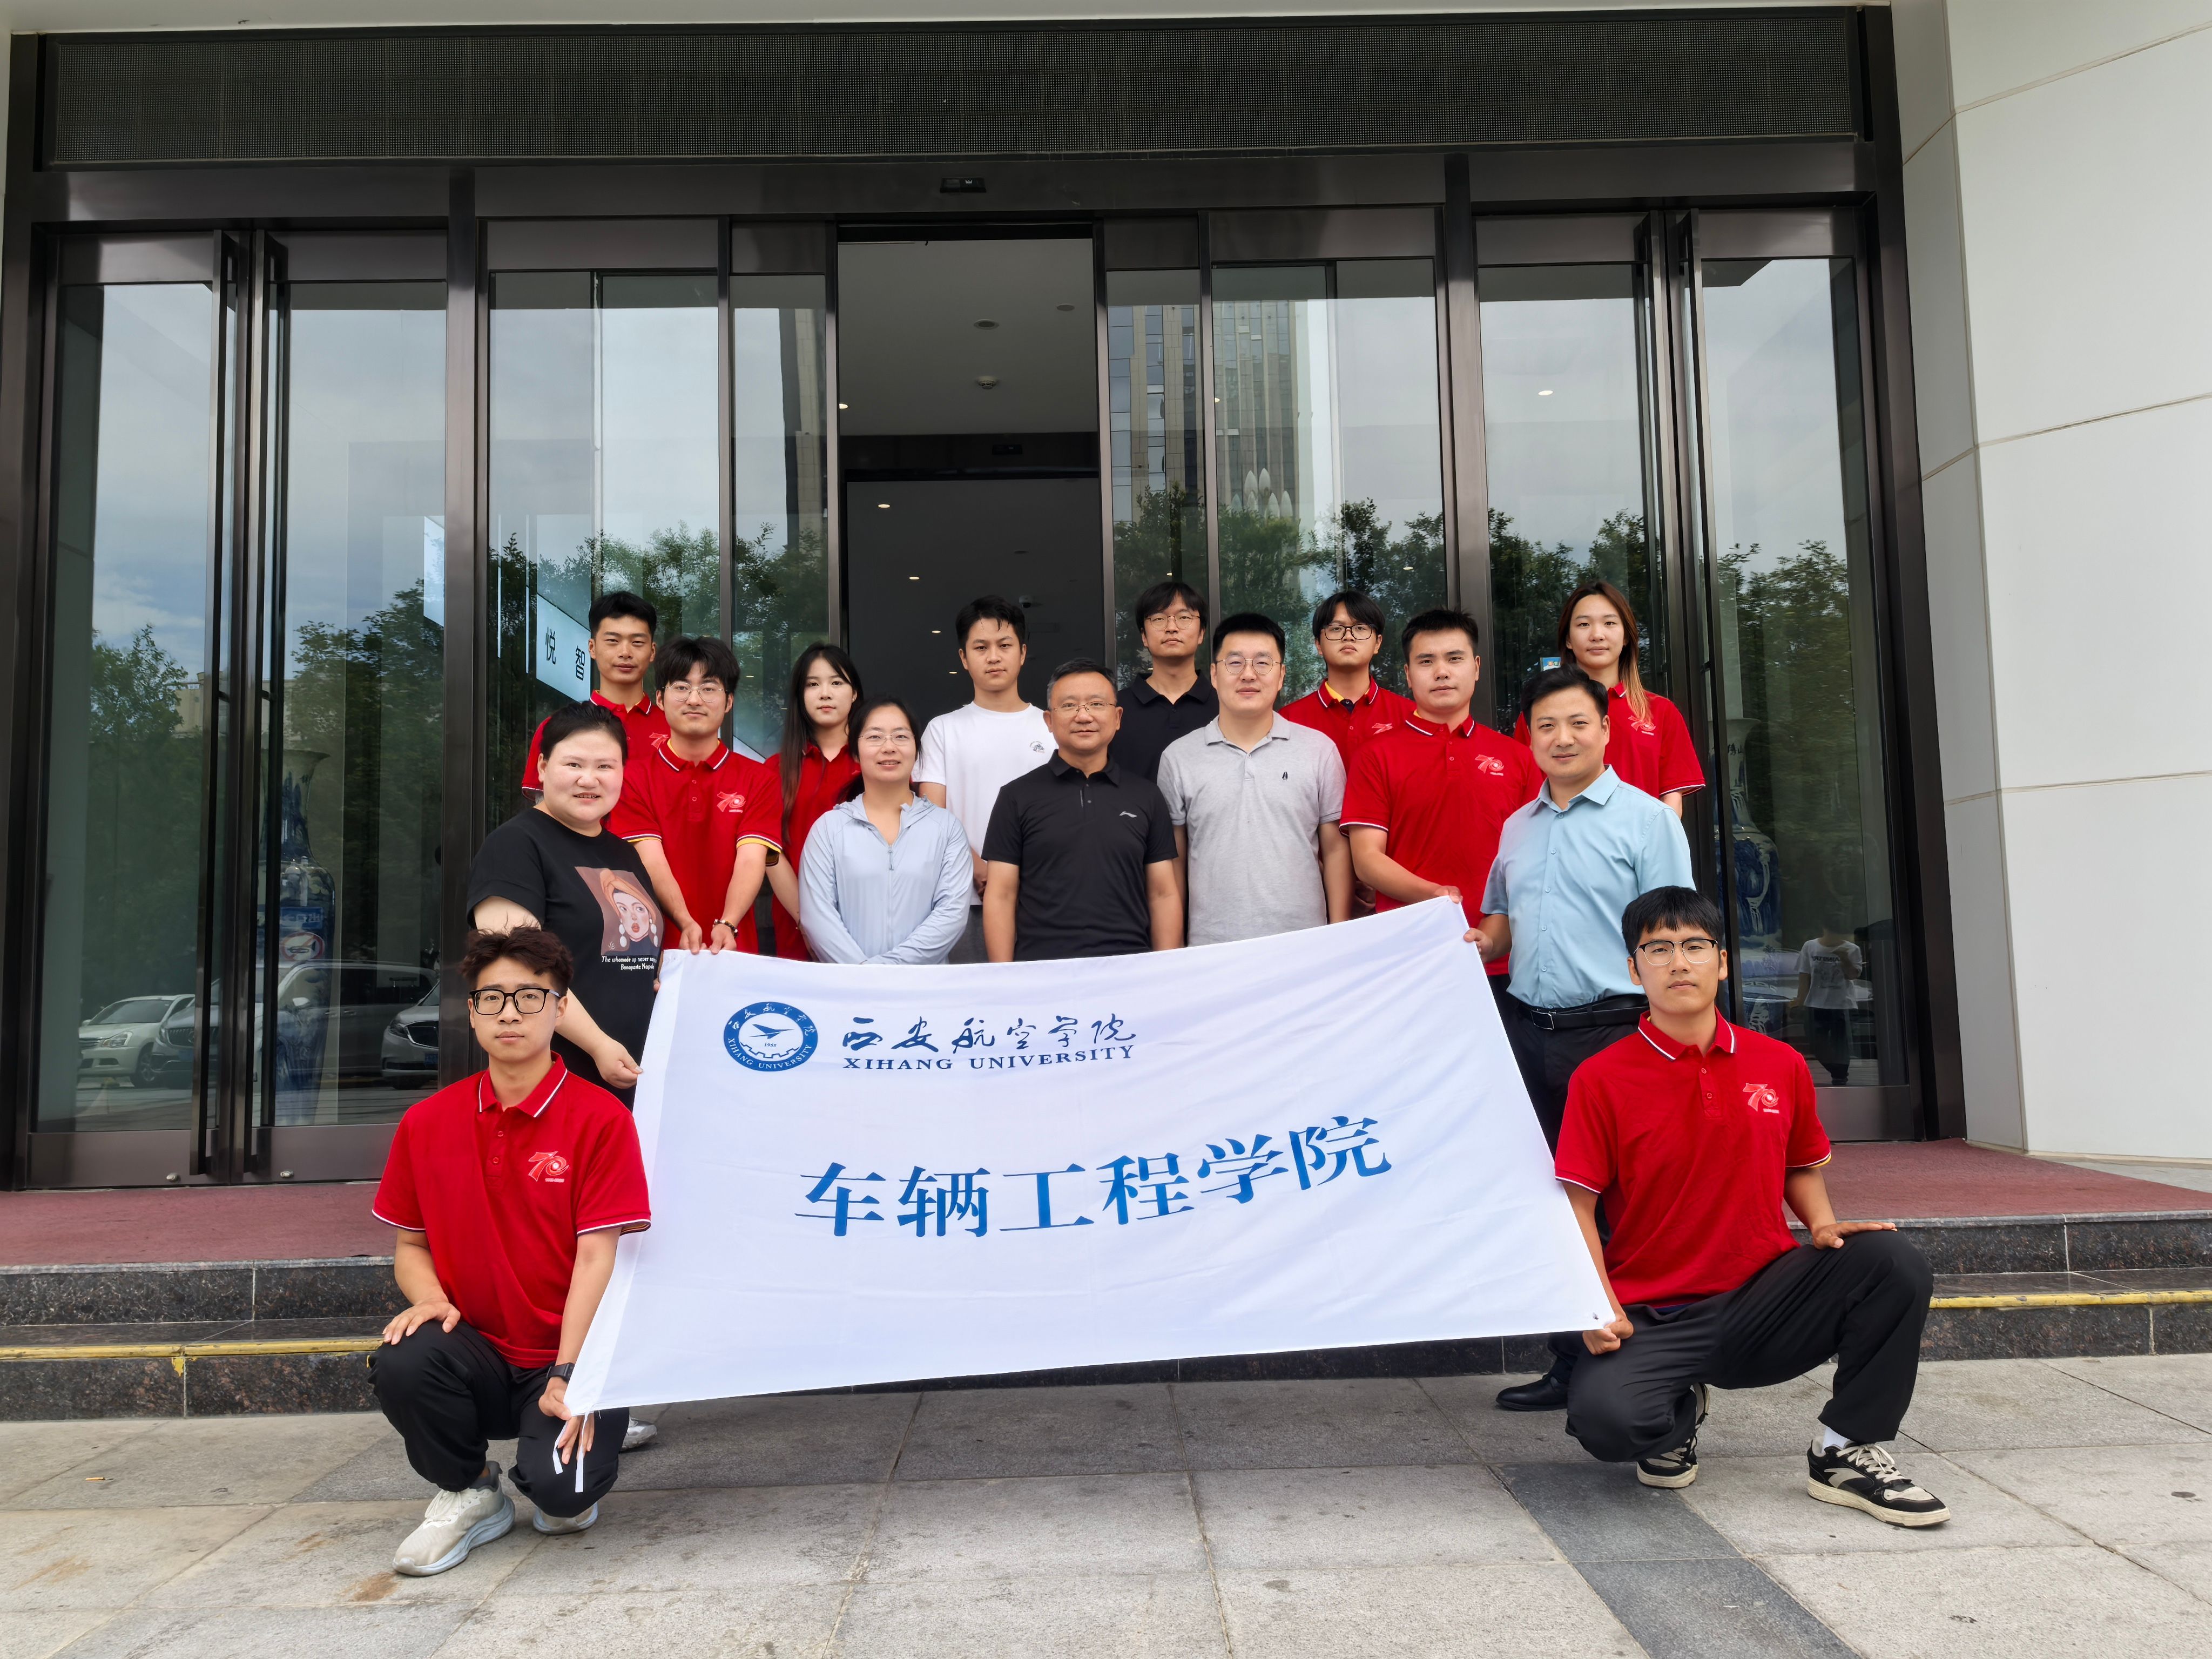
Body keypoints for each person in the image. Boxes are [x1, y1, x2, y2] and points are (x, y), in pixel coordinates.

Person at [1556, 886, 1947, 1526]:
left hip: (1765, 1299)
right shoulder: (1601, 1078)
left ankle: (1844, 1449)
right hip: (1655, 1311)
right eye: (1658, 949)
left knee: (1890, 1260)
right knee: (1609, 1425)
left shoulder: (1779, 1063)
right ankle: (1677, 1413)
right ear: (1633, 969)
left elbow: (1799, 1163)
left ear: (1721, 962)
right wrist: (1595, 1304)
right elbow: (1578, 1203)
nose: (1678, 963)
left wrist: (1822, 1225)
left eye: (1694, 946)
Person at [369, 925, 653, 1576]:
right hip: (477, 1350)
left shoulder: (601, 1119)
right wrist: (430, 1300)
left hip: (566, 1354)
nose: (509, 1014)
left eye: (529, 998)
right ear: (472, 1013)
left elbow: (597, 1257)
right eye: (491, 999)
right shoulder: (427, 1122)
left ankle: (556, 1467)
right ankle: (469, 1490)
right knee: (404, 1358)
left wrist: (570, 1371)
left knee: (562, 1499)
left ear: (560, 1008)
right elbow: (410, 1245)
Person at [1476, 665, 1694, 1414]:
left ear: (1605, 730)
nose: (1562, 738)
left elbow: (1674, 939)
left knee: (1626, 1206)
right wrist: (1463, 941)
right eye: (1546, 726)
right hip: (1531, 1034)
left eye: (1577, 723)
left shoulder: (1648, 821)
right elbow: (1500, 925)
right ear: (1528, 737)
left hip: (1616, 1033)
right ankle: (1569, 1360)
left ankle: (1655, 1367)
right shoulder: (1517, 826)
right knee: (1552, 1200)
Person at [1341, 609, 1539, 1003]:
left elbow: (1533, 863)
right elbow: (1366, 860)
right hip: (1406, 955)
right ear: (1408, 673)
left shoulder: (1519, 758)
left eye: (1454, 658)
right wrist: (1434, 895)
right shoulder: (1376, 756)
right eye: (1426, 661)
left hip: (1507, 960)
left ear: (1476, 667)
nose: (1442, 672)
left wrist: (1495, 938)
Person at [468, 703, 662, 1105]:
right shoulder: (515, 846)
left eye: (605, 766)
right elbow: (517, 971)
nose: (589, 779)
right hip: (561, 1076)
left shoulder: (624, 854)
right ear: (542, 767)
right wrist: (598, 1044)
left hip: (633, 1073)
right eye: (574, 764)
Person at [1157, 612, 1349, 947]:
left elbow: (1335, 851)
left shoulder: (1319, 750)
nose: (1248, 674)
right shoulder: (1179, 757)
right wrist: (1174, 956)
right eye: (1234, 663)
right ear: (1214, 674)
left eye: (1263, 663)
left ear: (1281, 675)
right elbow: (1174, 865)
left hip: (1305, 946)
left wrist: (1340, 937)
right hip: (1213, 949)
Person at [982, 658, 1181, 961]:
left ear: (1117, 717)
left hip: (1130, 968)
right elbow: (1001, 895)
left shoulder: (1147, 796)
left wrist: (1167, 972)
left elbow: (1163, 894)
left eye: (1097, 704)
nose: (1084, 716)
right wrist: (1004, 977)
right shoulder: (1016, 797)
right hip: (1041, 970)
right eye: (1069, 706)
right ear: (1049, 721)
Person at [609, 637, 781, 957]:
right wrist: (685, 921)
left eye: (709, 688)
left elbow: (750, 860)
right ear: (660, 699)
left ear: (728, 702)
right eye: (681, 687)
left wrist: (728, 923)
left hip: (733, 950)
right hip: (654, 953)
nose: (694, 699)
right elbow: (651, 860)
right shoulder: (631, 778)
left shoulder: (760, 779)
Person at [916, 595, 1053, 963]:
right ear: (964, 658)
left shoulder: (1051, 726)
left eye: (1004, 646)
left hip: (1042, 897)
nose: (993, 657)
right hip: (965, 900)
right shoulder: (943, 730)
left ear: (1023, 653)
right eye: (981, 648)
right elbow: (931, 816)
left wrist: (1019, 875)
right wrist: (976, 866)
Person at [799, 698, 973, 965]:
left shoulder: (947, 829)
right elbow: (818, 916)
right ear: (855, 752)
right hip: (850, 986)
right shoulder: (828, 829)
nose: (889, 747)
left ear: (917, 750)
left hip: (925, 987)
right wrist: (865, 975)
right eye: (875, 737)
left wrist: (886, 971)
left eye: (901, 736)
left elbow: (952, 914)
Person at [1513, 579, 1702, 815]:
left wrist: (1657, 837)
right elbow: (1528, 797)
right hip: (1560, 836)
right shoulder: (1540, 715)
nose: (1597, 635)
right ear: (1568, 639)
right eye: (1584, 624)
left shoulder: (1660, 711)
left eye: (1610, 623)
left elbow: (1671, 801)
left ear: (1626, 637)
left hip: (1639, 837)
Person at [759, 644, 863, 961]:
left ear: (854, 693)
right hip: (796, 922)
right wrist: (807, 920)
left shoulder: (878, 761)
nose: (825, 693)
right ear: (800, 696)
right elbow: (770, 853)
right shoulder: (775, 770)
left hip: (866, 918)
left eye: (837, 682)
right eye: (813, 684)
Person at [521, 591, 669, 796]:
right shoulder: (556, 728)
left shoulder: (675, 728)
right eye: (613, 641)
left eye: (637, 642)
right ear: (592, 647)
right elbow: (543, 808)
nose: (625, 653)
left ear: (652, 652)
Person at [1280, 588, 1417, 773]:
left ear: (1377, 643)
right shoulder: (1289, 720)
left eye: (1360, 628)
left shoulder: (1410, 715)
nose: (1348, 636)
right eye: (1336, 629)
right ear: (1318, 644)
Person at [1109, 579, 1217, 782]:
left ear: (1201, 633)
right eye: (1159, 619)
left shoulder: (1225, 706)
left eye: (1184, 618)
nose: (1172, 627)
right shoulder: (1115, 709)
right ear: (1144, 636)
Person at [1790, 920, 1866, 1086]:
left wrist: (1844, 958)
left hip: (1843, 1005)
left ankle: (1840, 1076)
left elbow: (1853, 975)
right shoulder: (1810, 947)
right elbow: (1804, 976)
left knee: (1841, 1043)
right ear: (1825, 930)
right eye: (1833, 933)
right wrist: (1800, 1001)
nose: (1836, 938)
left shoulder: (1852, 949)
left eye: (1840, 935)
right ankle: (1837, 1070)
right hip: (1816, 1003)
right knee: (1816, 1042)